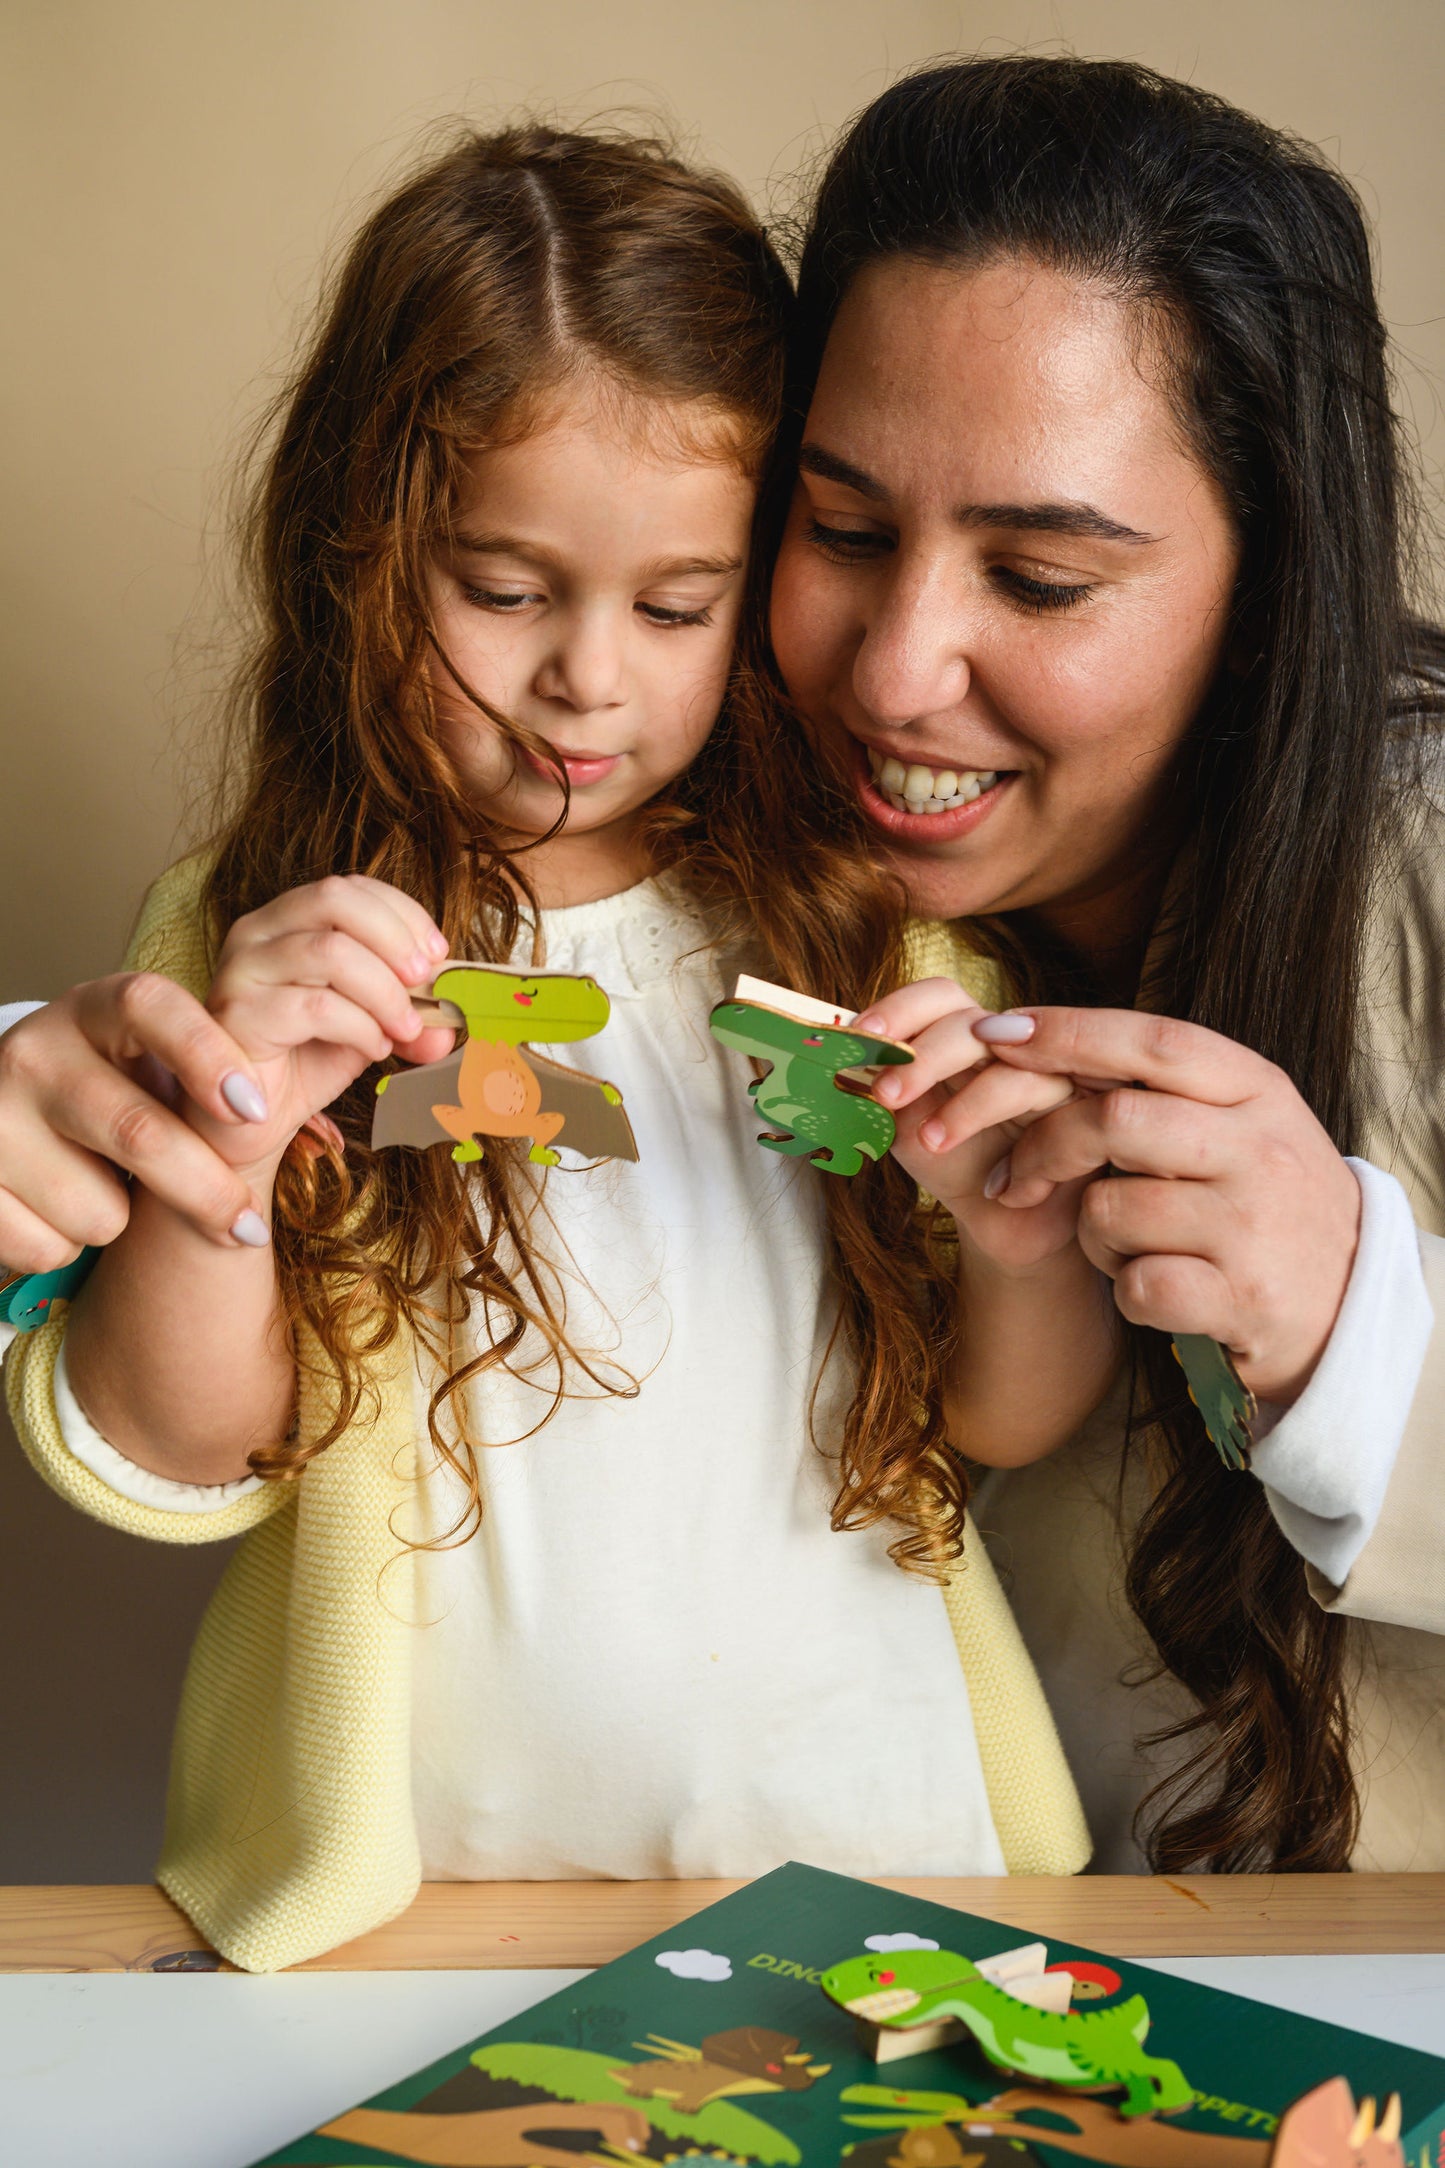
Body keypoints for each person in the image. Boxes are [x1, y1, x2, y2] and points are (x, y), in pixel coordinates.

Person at [0, 123, 1097, 1971]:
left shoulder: (874, 934)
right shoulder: (251, 933)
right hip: (434, 1891)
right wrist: (230, 1155)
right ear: (362, 553)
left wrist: (1013, 1234)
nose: (591, 677)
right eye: (503, 591)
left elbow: (999, 1420)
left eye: (677, 606)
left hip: (885, 1853)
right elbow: (186, 1461)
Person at [767, 56, 1445, 1874]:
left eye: (1042, 579)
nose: (896, 669)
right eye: (839, 531)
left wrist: (1349, 1334)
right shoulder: (739, 904)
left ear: (1271, 587)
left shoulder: (1425, 872)